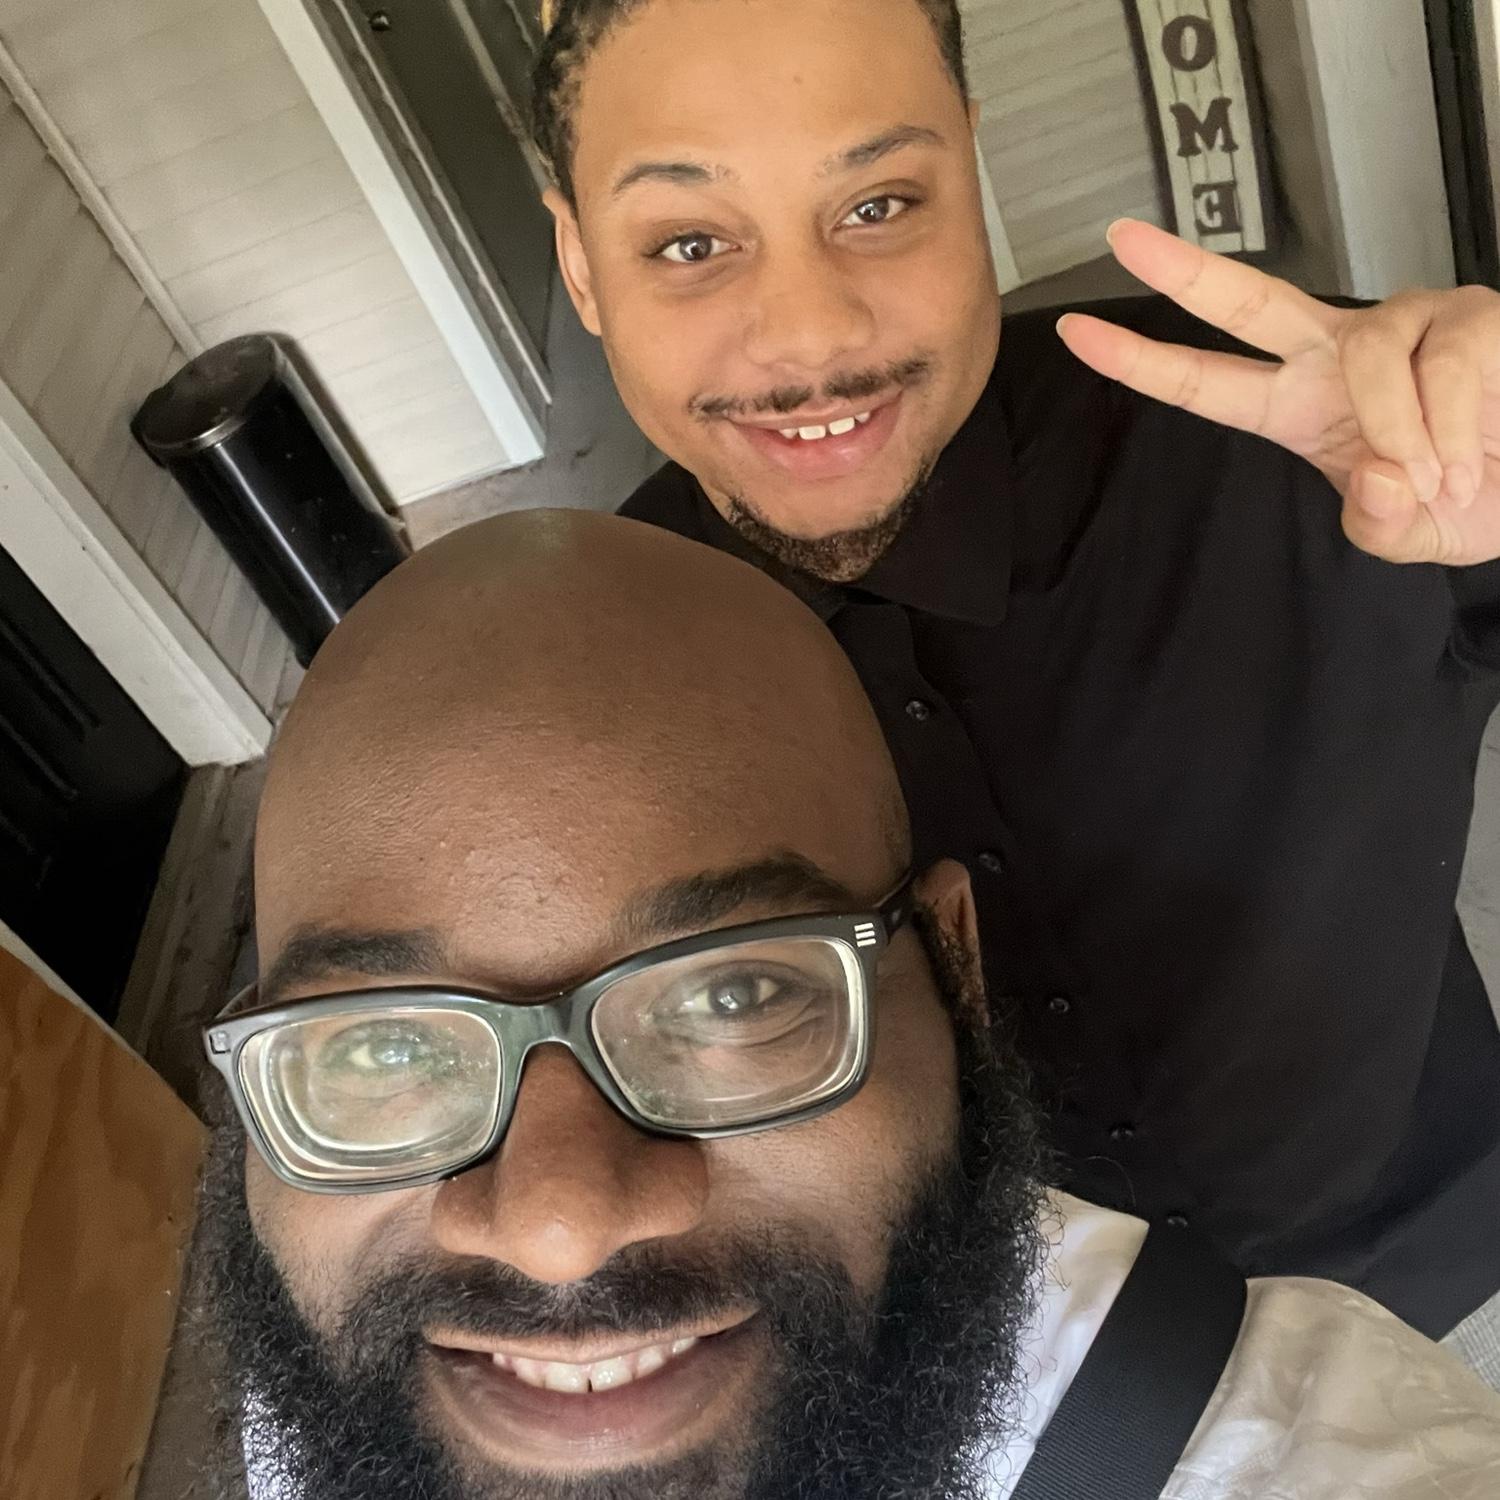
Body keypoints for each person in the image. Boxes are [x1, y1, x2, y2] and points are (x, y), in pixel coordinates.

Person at [528, 0, 1500, 1338]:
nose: (809, 337)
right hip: (1012, 1365)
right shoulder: (584, 673)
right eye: (690, 243)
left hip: (1430, 1246)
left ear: (970, 170)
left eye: (878, 205)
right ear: (581, 265)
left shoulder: (1298, 443)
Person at [196, 510, 1499, 1500]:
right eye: (381, 1045)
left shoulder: (1304, 1454)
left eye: (732, 993)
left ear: (954, 969)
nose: (557, 1230)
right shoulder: (347, 1374)